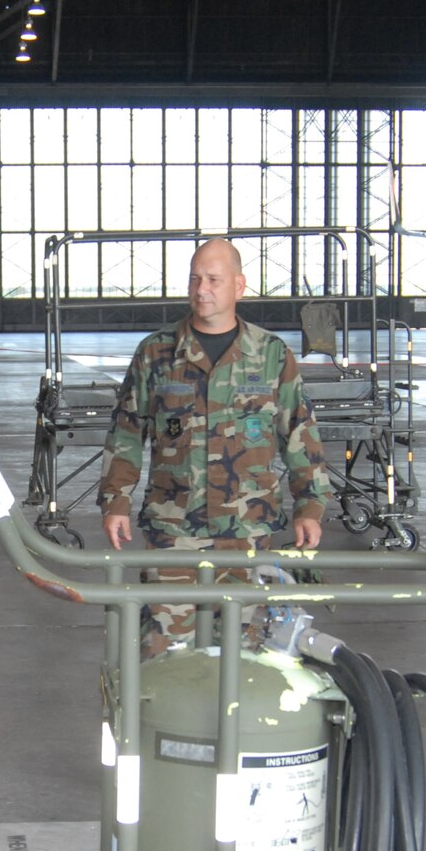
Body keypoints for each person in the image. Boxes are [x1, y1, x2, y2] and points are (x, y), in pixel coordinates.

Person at [98, 238, 330, 656]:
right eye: (195, 279)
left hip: (249, 533)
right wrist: (116, 500)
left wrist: (310, 505)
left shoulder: (271, 354)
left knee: (251, 655)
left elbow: (299, 432)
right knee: (163, 653)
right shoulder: (156, 352)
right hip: (175, 534)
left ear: (239, 286)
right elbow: (128, 432)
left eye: (213, 280)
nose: (202, 289)